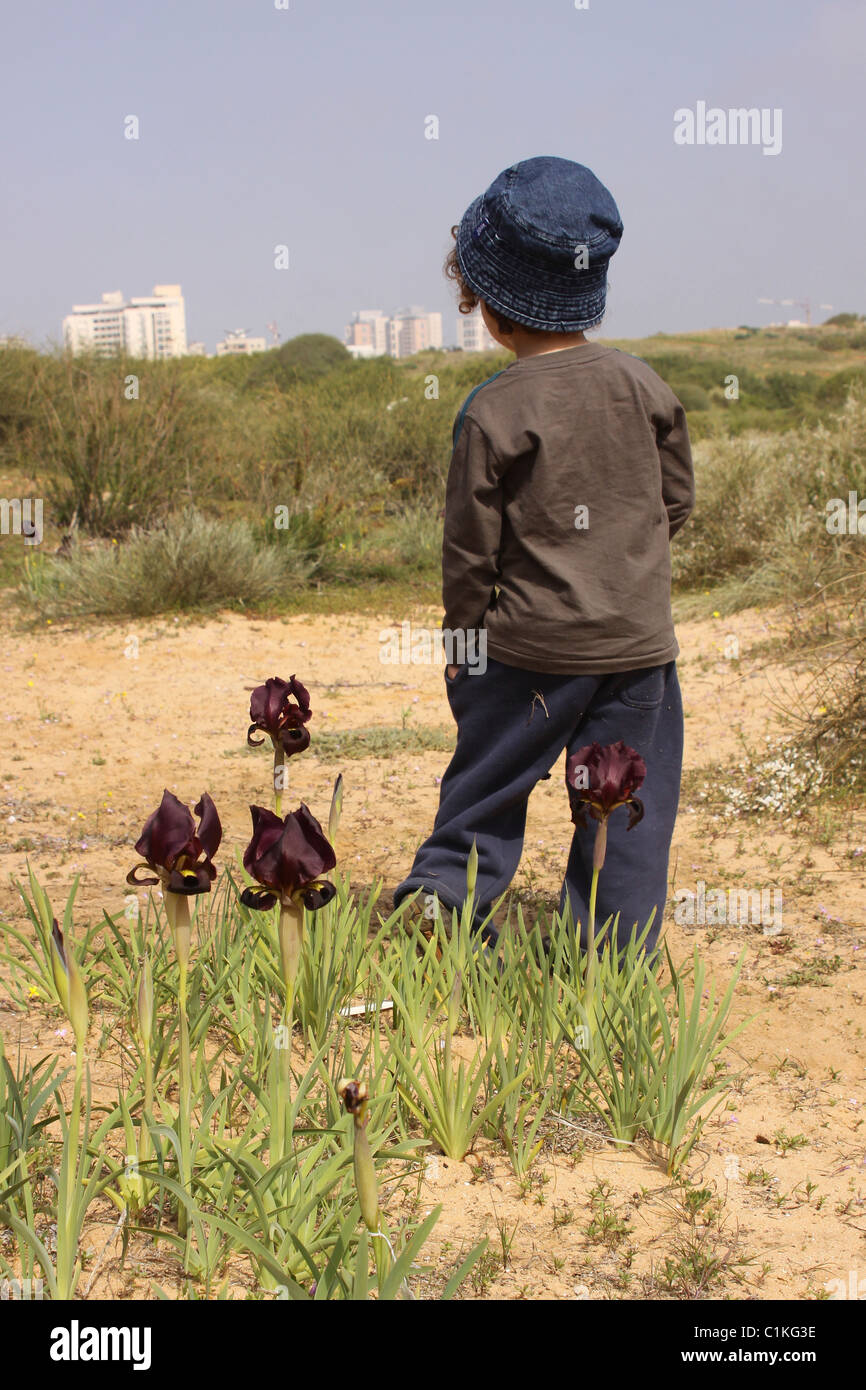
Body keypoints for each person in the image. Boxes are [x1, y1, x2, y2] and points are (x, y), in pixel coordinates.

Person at [393, 156, 695, 957]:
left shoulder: (492, 412)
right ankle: (609, 962)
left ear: (488, 309)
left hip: (524, 655)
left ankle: (440, 923)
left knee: (486, 789)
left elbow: (469, 557)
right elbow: (676, 504)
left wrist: (464, 647)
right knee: (623, 806)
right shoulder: (646, 387)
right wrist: (619, 571)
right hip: (635, 652)